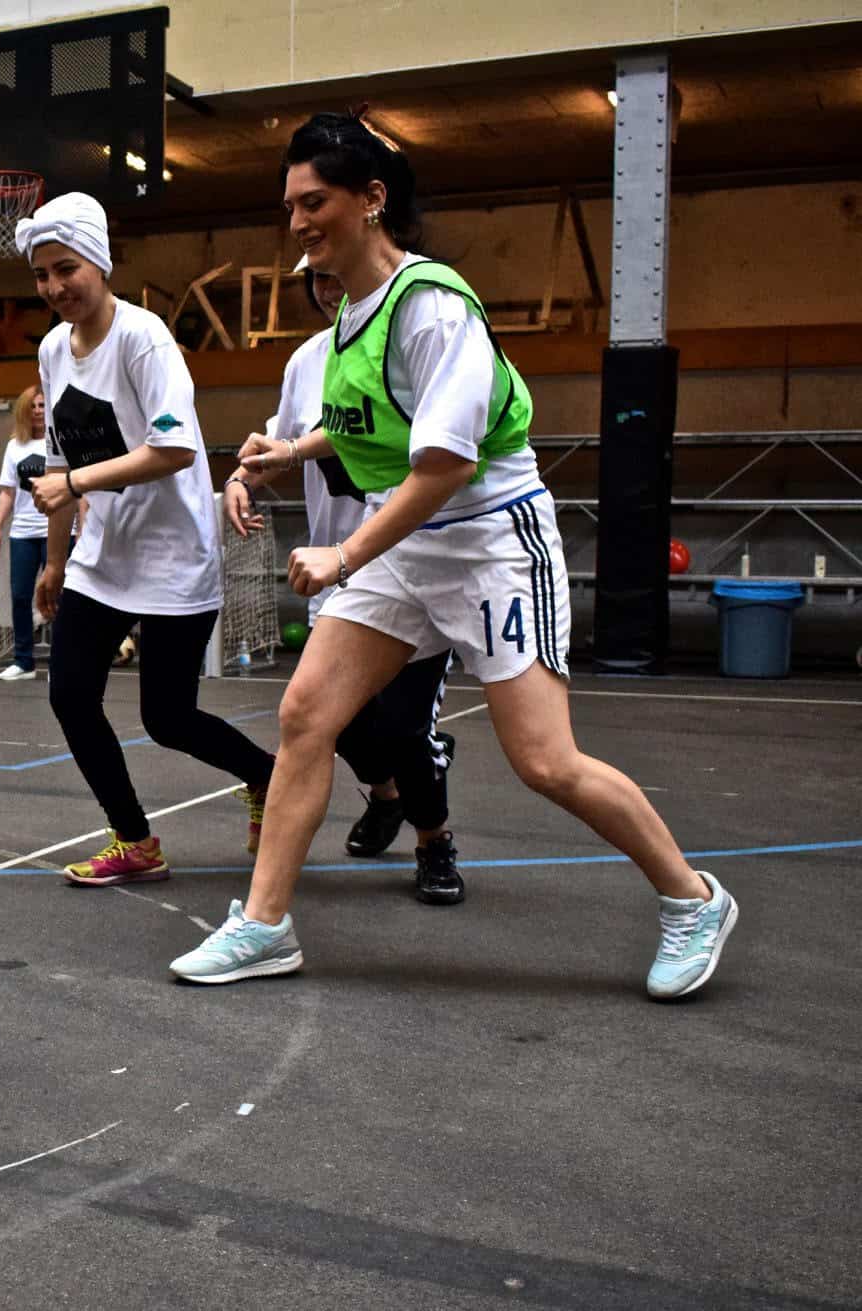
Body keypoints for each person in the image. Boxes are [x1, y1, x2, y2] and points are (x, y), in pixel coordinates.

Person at [170, 113, 737, 999]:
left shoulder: (435, 307)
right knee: (306, 715)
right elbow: (371, 422)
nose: (297, 221)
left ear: (371, 199)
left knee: (545, 761)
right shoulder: (353, 315)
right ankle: (265, 924)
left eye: (313, 201)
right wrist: (294, 450)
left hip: (489, 541)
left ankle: (693, 899)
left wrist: (343, 555)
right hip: (409, 542)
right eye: (290, 205)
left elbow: (444, 465)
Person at [20, 192, 277, 886]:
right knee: (71, 695)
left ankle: (265, 774)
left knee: (168, 717)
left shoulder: (144, 338)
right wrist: (54, 559)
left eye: (66, 269)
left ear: (100, 264)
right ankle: (134, 839)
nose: (54, 287)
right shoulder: (52, 349)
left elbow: (174, 449)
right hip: (102, 557)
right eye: (41, 274)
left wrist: (75, 485)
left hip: (172, 557)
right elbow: (58, 462)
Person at [225, 255, 465, 905]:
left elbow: (446, 456)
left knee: (407, 728)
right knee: (335, 720)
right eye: (318, 278)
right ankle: (386, 795)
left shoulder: (418, 338)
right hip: (339, 576)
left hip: (415, 570)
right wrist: (242, 478)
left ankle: (433, 840)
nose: (330, 288)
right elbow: (279, 443)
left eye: (338, 273)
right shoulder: (307, 361)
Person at [0, 383, 79, 680]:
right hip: (23, 533)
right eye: (33, 406)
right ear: (24, 411)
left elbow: (78, 489)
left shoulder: (61, 442)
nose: (38, 411)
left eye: (42, 405)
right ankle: (23, 661)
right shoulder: (14, 447)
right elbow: (8, 492)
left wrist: (82, 528)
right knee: (20, 595)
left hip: (57, 531)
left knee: (60, 595)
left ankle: (61, 663)